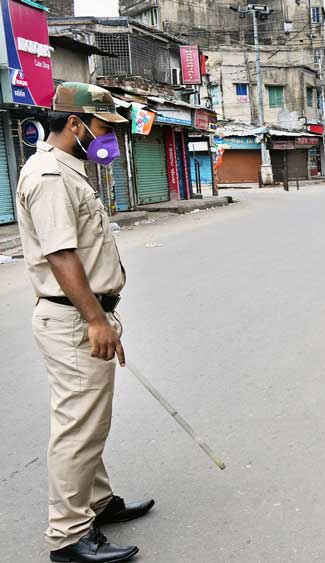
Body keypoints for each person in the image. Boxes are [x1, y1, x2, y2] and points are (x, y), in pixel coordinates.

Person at [16, 83, 155, 563]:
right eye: (103, 128)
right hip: (75, 317)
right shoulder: (51, 176)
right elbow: (60, 254)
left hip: (85, 313)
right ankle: (68, 536)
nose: (109, 140)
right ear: (74, 124)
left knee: (91, 419)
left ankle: (96, 502)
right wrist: (96, 319)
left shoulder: (70, 170)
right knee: (78, 425)